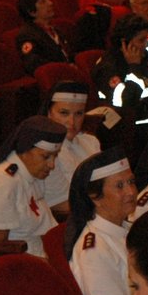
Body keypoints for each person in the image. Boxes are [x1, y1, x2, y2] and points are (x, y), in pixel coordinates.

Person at [0, 116, 64, 259]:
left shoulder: (33, 175)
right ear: (25, 150)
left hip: (41, 253)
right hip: (21, 261)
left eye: (55, 156)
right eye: (46, 157)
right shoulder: (1, 183)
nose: (52, 165)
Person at [65, 148, 138, 295]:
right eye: (120, 186)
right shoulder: (94, 250)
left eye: (131, 182)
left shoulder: (129, 229)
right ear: (95, 197)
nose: (131, 192)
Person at [95, 17, 148, 139]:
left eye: (146, 39)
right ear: (125, 43)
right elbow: (126, 102)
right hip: (132, 128)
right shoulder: (108, 67)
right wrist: (134, 68)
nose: (146, 44)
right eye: (141, 40)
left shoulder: (145, 58)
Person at [40, 81, 101, 215]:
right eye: (64, 113)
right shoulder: (43, 152)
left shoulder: (91, 142)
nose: (72, 122)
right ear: (49, 113)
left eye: (78, 114)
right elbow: (60, 204)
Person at [14, 0, 71, 75]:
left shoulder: (56, 30)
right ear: (31, 12)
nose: (50, 3)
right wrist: (64, 68)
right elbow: (33, 63)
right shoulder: (27, 35)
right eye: (43, 2)